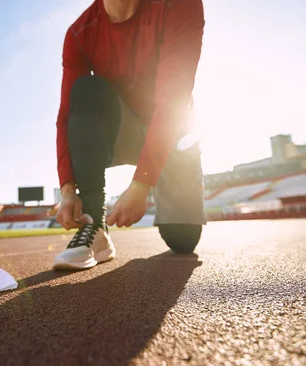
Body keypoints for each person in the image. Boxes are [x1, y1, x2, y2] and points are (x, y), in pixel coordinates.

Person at [53, 0, 206, 270]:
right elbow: (66, 115)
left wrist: (141, 184)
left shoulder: (180, 5)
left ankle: (172, 202)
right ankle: (95, 226)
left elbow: (173, 102)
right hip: (120, 129)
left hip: (173, 134)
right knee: (86, 90)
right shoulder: (79, 33)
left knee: (182, 239)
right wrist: (67, 190)